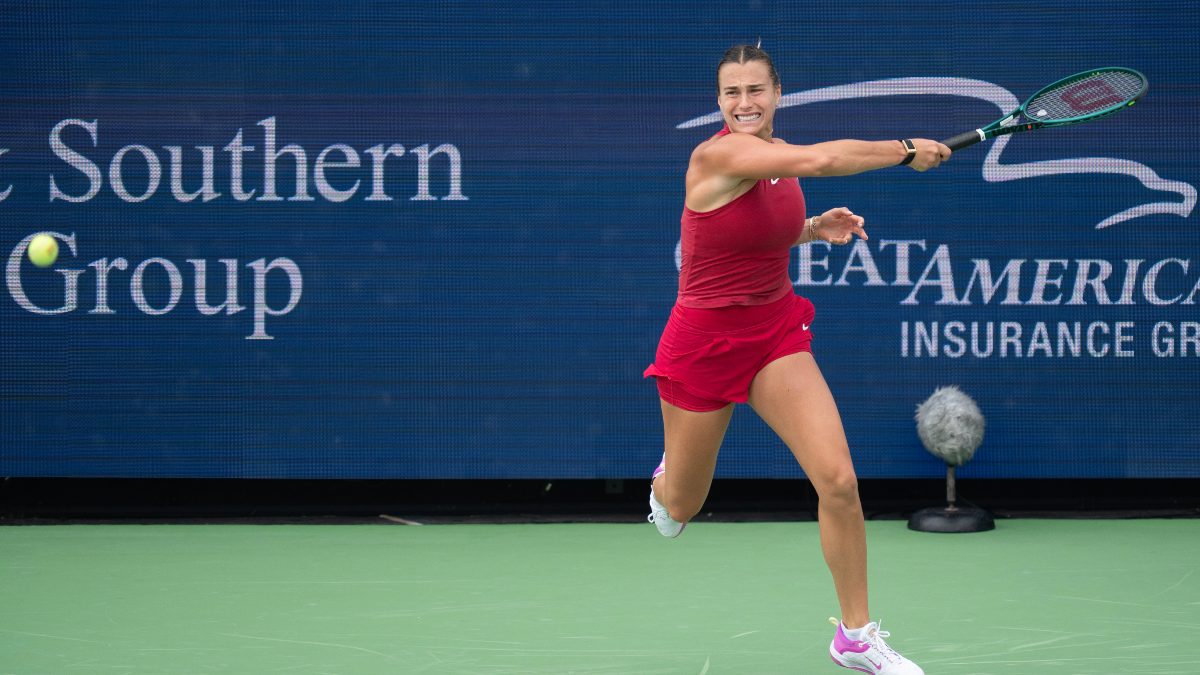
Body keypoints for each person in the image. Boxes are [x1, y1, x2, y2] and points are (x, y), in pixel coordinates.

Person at [642, 44, 949, 675]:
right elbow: (825, 158)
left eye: (756, 90)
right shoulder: (718, 154)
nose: (744, 104)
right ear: (718, 102)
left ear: (778, 94)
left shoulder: (775, 163)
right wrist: (908, 149)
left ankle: (856, 638)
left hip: (774, 333)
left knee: (838, 479)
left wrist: (810, 228)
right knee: (682, 508)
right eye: (732, 93)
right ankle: (666, 482)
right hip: (702, 345)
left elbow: (761, 219)